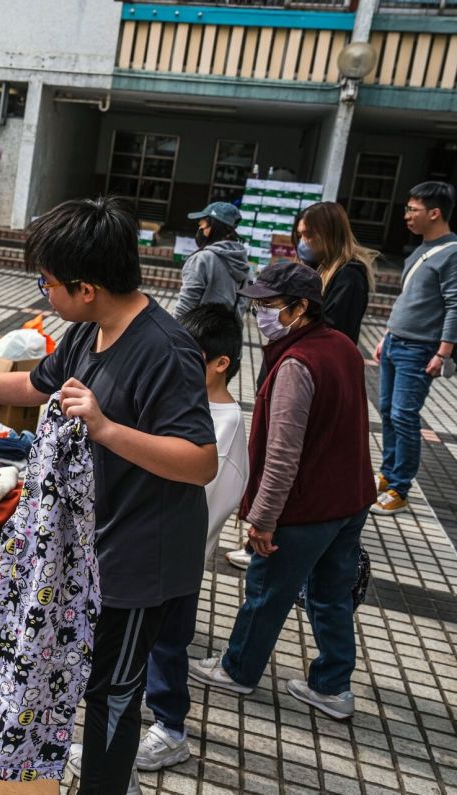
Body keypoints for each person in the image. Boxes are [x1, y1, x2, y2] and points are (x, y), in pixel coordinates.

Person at [0, 196, 217, 794]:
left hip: (140, 560)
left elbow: (201, 461)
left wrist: (105, 428)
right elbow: (35, 386)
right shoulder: (87, 332)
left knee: (113, 693)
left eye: (47, 283)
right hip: (89, 548)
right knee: (85, 677)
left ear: (86, 287)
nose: (43, 294)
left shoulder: (166, 349)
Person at [190, 262, 375, 722]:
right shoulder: (342, 346)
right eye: (257, 305)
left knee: (266, 590)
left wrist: (264, 518)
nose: (260, 315)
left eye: (269, 306)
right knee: (331, 594)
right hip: (350, 498)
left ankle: (237, 669)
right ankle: (333, 687)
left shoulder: (297, 363)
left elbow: (282, 454)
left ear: (300, 308)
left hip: (307, 507)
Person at [136, 303, 249, 772]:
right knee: (146, 642)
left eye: (189, 357)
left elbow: (208, 501)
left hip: (175, 557)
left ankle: (170, 730)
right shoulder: (186, 401)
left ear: (221, 363)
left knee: (166, 644)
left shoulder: (227, 425)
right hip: (148, 546)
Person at [373, 181, 457, 515]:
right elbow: (409, 299)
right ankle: (388, 473)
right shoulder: (420, 248)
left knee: (404, 416)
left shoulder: (451, 253)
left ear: (434, 213)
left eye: (413, 209)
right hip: (396, 341)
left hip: (420, 349)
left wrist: (443, 352)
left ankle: (400, 488)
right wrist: (386, 334)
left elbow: (455, 305)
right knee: (388, 412)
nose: (406, 215)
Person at [293, 201, 376, 344]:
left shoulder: (349, 276)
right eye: (300, 235)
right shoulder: (315, 267)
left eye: (308, 235)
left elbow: (332, 330)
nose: (302, 242)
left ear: (329, 234)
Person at [175, 201, 250, 318]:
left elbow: (185, 306)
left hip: (198, 328)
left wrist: (172, 328)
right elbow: (242, 305)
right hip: (229, 329)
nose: (200, 227)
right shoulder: (244, 262)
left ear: (214, 225)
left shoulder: (202, 259)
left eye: (202, 223)